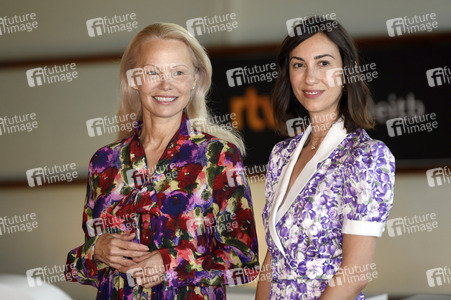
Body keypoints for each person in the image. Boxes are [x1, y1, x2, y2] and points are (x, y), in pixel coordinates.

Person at [66, 23, 259, 300]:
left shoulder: (218, 157)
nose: (165, 84)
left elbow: (245, 259)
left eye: (178, 72)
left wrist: (171, 263)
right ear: (134, 79)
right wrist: (95, 251)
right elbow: (80, 269)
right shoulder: (105, 162)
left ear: (194, 79)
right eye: (152, 72)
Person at [256, 17, 395, 299]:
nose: (310, 77)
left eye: (323, 63)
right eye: (298, 64)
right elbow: (272, 260)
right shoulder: (281, 155)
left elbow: (354, 274)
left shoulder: (366, 157)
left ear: (347, 72)